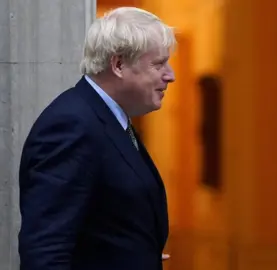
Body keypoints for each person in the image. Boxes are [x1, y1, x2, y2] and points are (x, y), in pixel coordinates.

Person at [18, 7, 175, 270]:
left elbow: (106, 226)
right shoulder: (72, 126)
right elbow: (45, 252)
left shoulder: (109, 119)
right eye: (158, 64)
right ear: (118, 64)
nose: (170, 75)